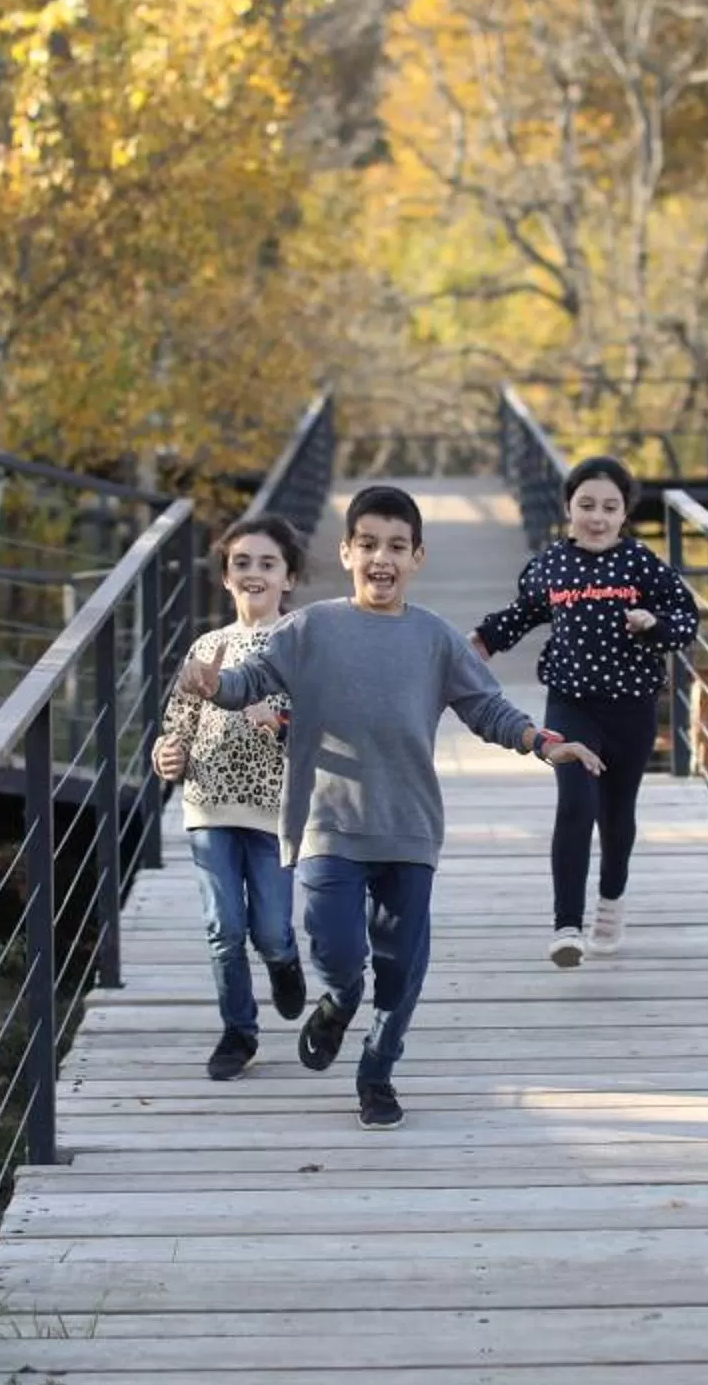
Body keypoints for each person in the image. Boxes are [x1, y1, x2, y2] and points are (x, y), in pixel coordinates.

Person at [171, 484, 603, 1129]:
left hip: (408, 826)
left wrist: (540, 741)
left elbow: (484, 706)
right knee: (337, 954)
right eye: (368, 544)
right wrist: (216, 685)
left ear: (418, 557)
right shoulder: (309, 627)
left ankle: (378, 1069)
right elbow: (248, 681)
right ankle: (339, 1001)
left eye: (397, 547)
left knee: (401, 968)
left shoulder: (434, 638)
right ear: (346, 551)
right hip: (327, 824)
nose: (382, 558)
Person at [472, 455, 701, 967]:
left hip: (633, 708)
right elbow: (522, 614)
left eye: (610, 507)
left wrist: (653, 623)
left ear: (625, 514)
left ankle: (611, 900)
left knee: (617, 816)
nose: (597, 517)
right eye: (586, 505)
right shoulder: (551, 564)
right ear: (569, 508)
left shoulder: (642, 563)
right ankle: (566, 926)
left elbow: (687, 620)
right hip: (571, 704)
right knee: (576, 806)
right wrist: (479, 643)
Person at [152, 515, 310, 1081]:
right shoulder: (207, 645)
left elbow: (327, 723)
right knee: (223, 928)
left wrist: (284, 720)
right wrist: (166, 754)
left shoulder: (303, 642)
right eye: (241, 563)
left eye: (267, 564)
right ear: (224, 576)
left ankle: (284, 959)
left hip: (275, 809)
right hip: (207, 803)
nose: (253, 573)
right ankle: (238, 1032)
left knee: (268, 927)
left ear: (288, 578)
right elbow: (178, 722)